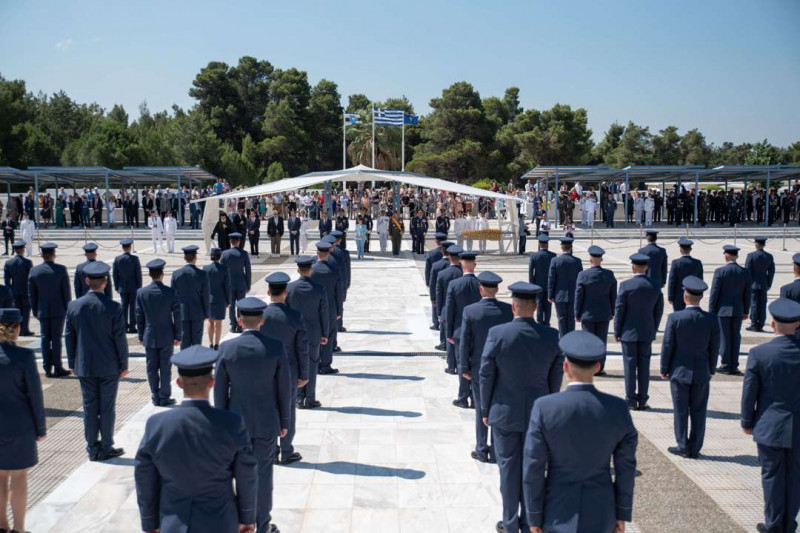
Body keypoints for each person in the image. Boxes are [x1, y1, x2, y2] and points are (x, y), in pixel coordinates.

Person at [522, 330, 638, 533]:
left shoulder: (544, 407)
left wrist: (534, 517)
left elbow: (534, 467)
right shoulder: (618, 408)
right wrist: (622, 513)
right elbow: (626, 468)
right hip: (602, 510)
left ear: (565, 367)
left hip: (557, 509)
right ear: (598, 367)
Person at [134, 345, 258, 533]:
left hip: (173, 523)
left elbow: (144, 476)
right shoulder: (232, 424)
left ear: (179, 383)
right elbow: (246, 475)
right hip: (221, 522)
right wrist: (247, 517)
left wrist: (150, 522)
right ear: (212, 382)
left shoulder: (156, 424)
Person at [479, 281, 562, 533]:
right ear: (535, 307)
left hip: (504, 413)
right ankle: (530, 521)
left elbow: (486, 374)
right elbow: (555, 376)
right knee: (534, 469)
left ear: (513, 307)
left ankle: (509, 522)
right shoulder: (551, 336)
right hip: (538, 414)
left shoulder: (498, 334)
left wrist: (485, 410)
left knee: (508, 469)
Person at [214, 297, 291, 533]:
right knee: (263, 477)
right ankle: (263, 525)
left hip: (235, 425)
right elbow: (284, 388)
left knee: (236, 476)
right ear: (262, 320)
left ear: (239, 319)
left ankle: (240, 523)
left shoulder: (227, 348)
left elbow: (220, 390)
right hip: (267, 424)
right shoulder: (275, 347)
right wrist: (285, 421)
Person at [741, 298, 800, 533]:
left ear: (773, 324)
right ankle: (789, 523)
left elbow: (750, 392)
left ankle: (774, 523)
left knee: (772, 476)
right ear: (798, 324)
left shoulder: (760, 353)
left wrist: (747, 421)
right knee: (796, 477)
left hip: (769, 424)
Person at [65, 261, 128, 461]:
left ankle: (92, 447)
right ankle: (107, 445)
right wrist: (123, 364)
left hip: (85, 365)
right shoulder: (114, 307)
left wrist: (72, 362)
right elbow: (119, 338)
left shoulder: (74, 306)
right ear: (105, 281)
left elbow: (69, 336)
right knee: (107, 407)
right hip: (109, 365)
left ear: (86, 281)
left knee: (90, 406)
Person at [660, 276, 720, 459]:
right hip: (701, 371)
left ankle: (682, 444)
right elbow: (714, 346)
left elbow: (668, 345)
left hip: (679, 371)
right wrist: (711, 368)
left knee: (680, 410)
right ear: (700, 297)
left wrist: (664, 368)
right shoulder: (711, 319)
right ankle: (695, 447)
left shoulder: (675, 318)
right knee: (699, 410)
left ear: (685, 296)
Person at [459, 272, 512, 463]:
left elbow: (465, 342)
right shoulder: (507, 311)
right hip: (502, 368)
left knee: (481, 408)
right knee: (496, 407)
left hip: (478, 368)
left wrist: (463, 366)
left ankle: (481, 448)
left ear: (480, 289)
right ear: (497, 289)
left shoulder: (470, 311)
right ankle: (497, 450)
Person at [0, 308, 45, 533]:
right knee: (19, 476)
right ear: (17, 328)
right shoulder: (25, 357)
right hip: (20, 425)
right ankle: (19, 529)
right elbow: (35, 396)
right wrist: (40, 427)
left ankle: (2, 526)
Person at [261, 272, 309, 465]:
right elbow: (302, 348)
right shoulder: (295, 316)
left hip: (266, 370)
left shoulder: (260, 315)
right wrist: (304, 374)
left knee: (270, 408)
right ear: (286, 292)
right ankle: (287, 450)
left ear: (268, 292)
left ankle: (272, 451)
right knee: (288, 408)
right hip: (290, 370)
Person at [614, 254, 664, 410]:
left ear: (633, 267)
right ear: (647, 267)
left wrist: (617, 331)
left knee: (629, 366)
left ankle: (630, 399)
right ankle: (643, 399)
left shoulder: (626, 285)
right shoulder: (655, 286)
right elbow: (658, 312)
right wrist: (653, 328)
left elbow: (619, 310)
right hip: (646, 332)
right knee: (644, 366)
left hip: (628, 332)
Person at [136, 259, 181, 407]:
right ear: (162, 274)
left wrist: (141, 335)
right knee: (165, 368)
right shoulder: (171, 292)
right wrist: (178, 335)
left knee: (151, 368)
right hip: (167, 335)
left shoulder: (141, 293)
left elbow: (139, 315)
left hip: (149, 335)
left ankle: (155, 395)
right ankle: (164, 396)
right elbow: (177, 316)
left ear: (149, 274)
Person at [287, 255, 329, 410]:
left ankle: (299, 397)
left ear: (298, 270)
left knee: (297, 363)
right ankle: (310, 397)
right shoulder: (319, 289)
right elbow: (323, 314)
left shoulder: (289, 289)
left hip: (294, 333)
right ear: (310, 270)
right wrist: (325, 334)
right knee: (312, 364)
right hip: (313, 333)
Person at [29, 242, 72, 378]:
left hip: (42, 310)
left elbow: (32, 294)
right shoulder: (60, 270)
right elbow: (66, 292)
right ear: (54, 255)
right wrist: (67, 308)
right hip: (59, 310)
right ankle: (58, 367)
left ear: (42, 255)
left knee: (44, 339)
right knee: (57, 339)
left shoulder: (34, 271)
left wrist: (35, 310)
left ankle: (47, 368)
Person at [445, 250, 482, 409]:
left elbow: (450, 310)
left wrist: (449, 333)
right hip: (478, 331)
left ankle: (463, 397)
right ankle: (475, 398)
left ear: (461, 264)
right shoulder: (481, 284)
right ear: (474, 264)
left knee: (462, 365)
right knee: (476, 364)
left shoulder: (454, 285)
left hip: (459, 331)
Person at [574, 245, 617, 375]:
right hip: (604, 313)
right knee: (601, 341)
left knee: (588, 341)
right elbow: (613, 295)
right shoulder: (609, 275)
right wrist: (612, 311)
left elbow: (578, 295)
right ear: (601, 259)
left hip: (587, 314)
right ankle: (600, 367)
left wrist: (577, 313)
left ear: (590, 259)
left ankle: (589, 367)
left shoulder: (583, 275)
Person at [709, 245, 751, 375]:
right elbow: (747, 293)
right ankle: (734, 364)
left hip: (723, 310)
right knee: (735, 337)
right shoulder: (744, 272)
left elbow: (714, 293)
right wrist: (746, 310)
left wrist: (711, 311)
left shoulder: (720, 271)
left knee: (725, 337)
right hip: (738, 309)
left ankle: (726, 364)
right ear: (736, 256)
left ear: (726, 256)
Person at [311, 241, 343, 375]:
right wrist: (339, 311)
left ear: (317, 254)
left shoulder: (311, 270)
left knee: (315, 335)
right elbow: (339, 293)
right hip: (330, 308)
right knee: (329, 337)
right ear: (328, 254)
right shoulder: (335, 271)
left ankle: (315, 363)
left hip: (314, 308)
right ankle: (325, 365)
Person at [171, 245, 210, 348]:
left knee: (184, 343)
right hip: (198, 311)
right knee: (197, 342)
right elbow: (205, 295)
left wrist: (173, 312)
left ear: (184, 258)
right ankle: (196, 363)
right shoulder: (202, 274)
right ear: (195, 258)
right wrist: (207, 312)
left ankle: (183, 364)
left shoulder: (176, 274)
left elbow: (172, 296)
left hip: (181, 312)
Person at [547, 237, 583, 337]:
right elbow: (580, 280)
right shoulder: (577, 261)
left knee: (561, 319)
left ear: (561, 247)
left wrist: (550, 295)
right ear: (571, 247)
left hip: (559, 295)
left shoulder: (555, 261)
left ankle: (563, 342)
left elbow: (551, 279)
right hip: (573, 295)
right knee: (571, 319)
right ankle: (571, 341)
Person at [437, 245, 464, 374]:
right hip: (462, 311)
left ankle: (451, 365)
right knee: (461, 340)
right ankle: (461, 365)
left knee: (449, 338)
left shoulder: (442, 274)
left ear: (449, 257)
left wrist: (439, 313)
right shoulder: (463, 273)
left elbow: (439, 295)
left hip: (446, 310)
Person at [221, 233, 251, 334]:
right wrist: (248, 284)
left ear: (230, 241)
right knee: (241, 305)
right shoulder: (244, 253)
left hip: (229, 284)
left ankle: (233, 325)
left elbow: (221, 271)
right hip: (241, 283)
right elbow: (248, 271)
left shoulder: (225, 254)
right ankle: (240, 325)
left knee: (231, 305)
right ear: (239, 242)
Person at [112, 238, 142, 334]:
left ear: (122, 248)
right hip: (133, 286)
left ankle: (124, 326)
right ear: (130, 247)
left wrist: (116, 286)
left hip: (122, 286)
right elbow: (138, 274)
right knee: (133, 307)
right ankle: (132, 327)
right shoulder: (135, 259)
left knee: (124, 306)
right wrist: (139, 287)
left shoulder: (117, 259)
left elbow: (115, 274)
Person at [746, 237, 775, 332]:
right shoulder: (769, 256)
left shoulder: (751, 256)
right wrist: (769, 283)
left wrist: (747, 283)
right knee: (762, 304)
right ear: (764, 245)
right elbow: (771, 271)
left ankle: (754, 324)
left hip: (753, 284)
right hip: (763, 284)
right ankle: (761, 324)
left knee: (754, 304)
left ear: (756, 244)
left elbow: (748, 271)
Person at [4, 240, 34, 336]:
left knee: (17, 311)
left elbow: (7, 280)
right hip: (25, 290)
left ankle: (17, 330)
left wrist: (9, 292)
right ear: (22, 250)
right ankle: (25, 330)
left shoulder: (8, 263)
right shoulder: (28, 262)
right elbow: (31, 278)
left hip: (14, 291)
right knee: (26, 310)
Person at [667, 238, 704, 312]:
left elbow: (672, 281)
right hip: (693, 295)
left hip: (678, 296)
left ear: (680, 250)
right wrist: (699, 295)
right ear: (690, 249)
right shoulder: (697, 263)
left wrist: (670, 297)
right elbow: (700, 280)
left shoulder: (676, 263)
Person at [203, 247, 230, 349]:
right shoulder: (224, 269)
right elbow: (227, 286)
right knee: (218, 323)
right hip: (220, 298)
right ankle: (217, 344)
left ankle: (210, 343)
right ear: (220, 256)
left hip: (208, 299)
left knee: (210, 321)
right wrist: (228, 300)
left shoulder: (205, 268)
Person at [527, 235, 555, 327]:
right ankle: (547, 323)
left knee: (539, 304)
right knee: (548, 305)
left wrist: (531, 285)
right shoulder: (553, 256)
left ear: (539, 244)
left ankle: (539, 323)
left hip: (537, 284)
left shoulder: (534, 256)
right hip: (549, 285)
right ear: (547, 244)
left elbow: (531, 271)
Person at [425, 233, 447, 329]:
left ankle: (436, 322)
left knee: (435, 301)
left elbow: (427, 270)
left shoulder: (431, 253)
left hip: (435, 280)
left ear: (436, 241)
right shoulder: (450, 252)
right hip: (447, 280)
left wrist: (428, 282)